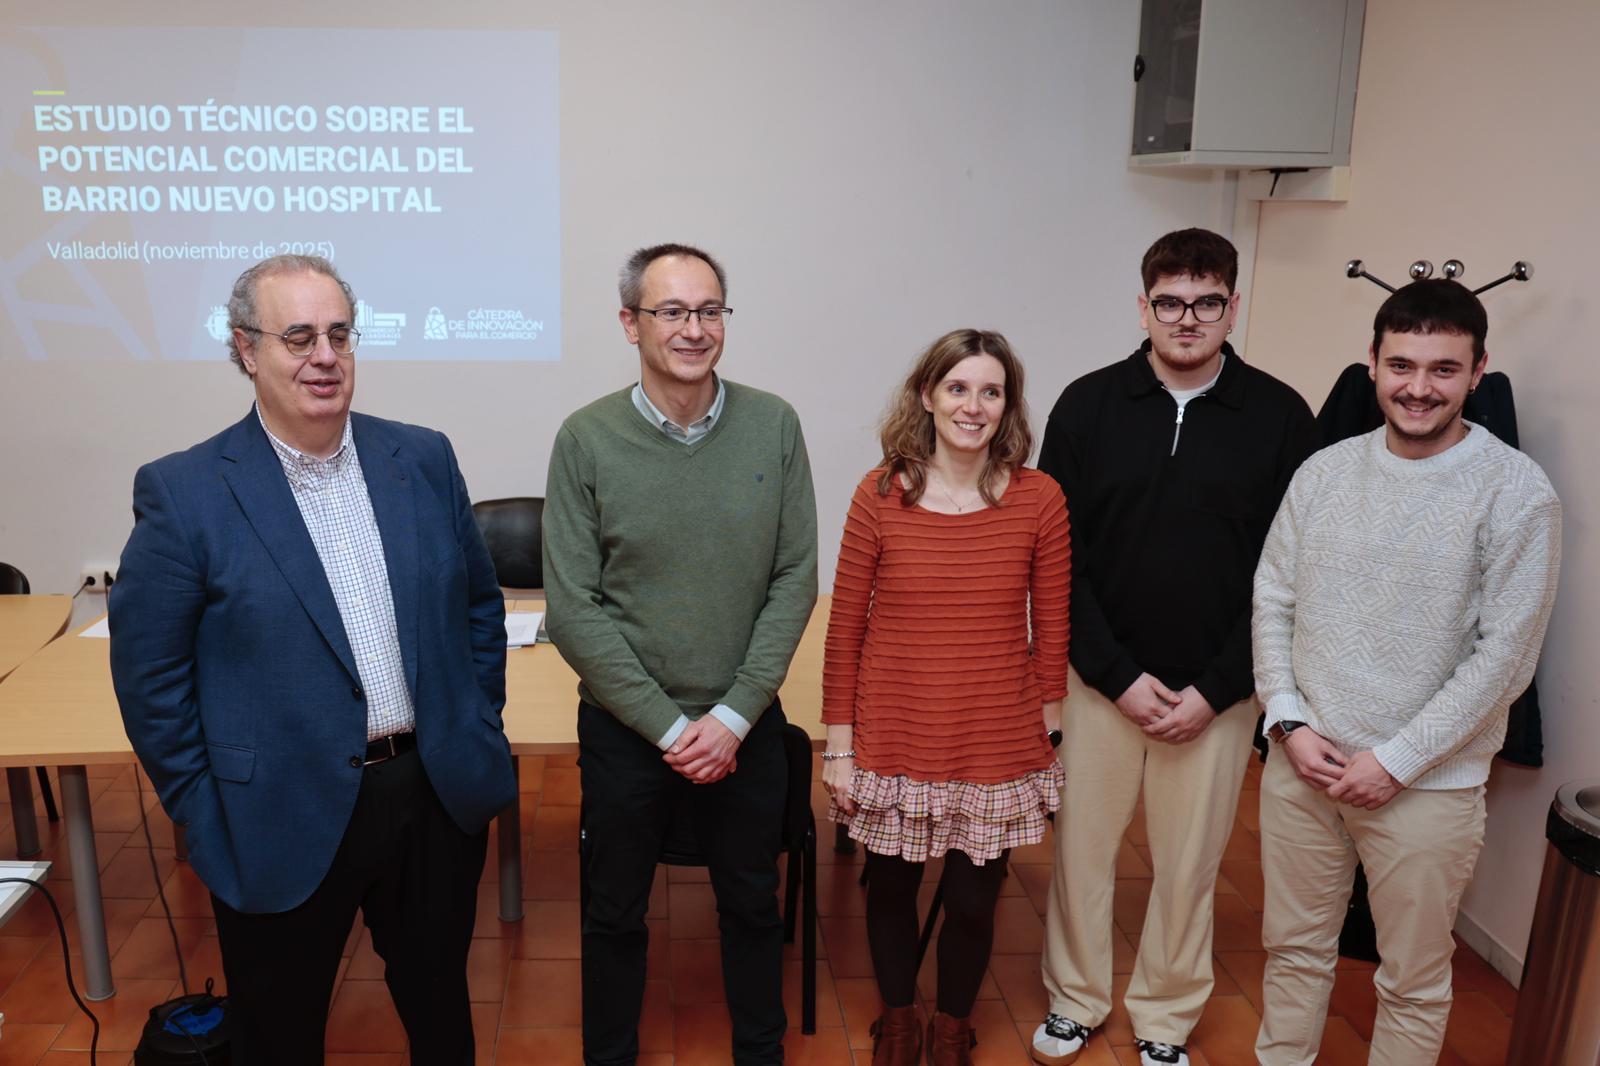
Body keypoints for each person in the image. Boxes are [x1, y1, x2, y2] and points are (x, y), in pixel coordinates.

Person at [109, 254, 516, 1063]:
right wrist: (204, 809)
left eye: (339, 334)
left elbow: (478, 605)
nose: (325, 356)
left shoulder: (422, 458)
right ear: (246, 349)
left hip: (431, 794)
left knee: (441, 1011)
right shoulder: (185, 492)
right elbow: (151, 677)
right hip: (276, 813)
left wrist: (475, 722)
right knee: (280, 1034)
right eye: (298, 337)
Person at [1251, 279, 1561, 1064]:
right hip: (1304, 765)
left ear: (1478, 371)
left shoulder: (1517, 491)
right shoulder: (1323, 472)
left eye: (1443, 369)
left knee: (1412, 982)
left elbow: (1506, 657)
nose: (1418, 388)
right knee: (1292, 952)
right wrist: (1287, 719)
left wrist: (1396, 760)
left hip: (1429, 785)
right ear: (1372, 363)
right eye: (1402, 365)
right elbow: (1273, 599)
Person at [1031, 228, 1318, 1066]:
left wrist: (1221, 687)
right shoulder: (1087, 405)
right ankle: (1075, 1000)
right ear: (1143, 306)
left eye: (1206, 302)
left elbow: (1289, 570)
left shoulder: (1281, 416)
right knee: (1082, 854)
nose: (1186, 318)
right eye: (1170, 302)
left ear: (1233, 307)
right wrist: (1115, 676)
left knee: (1190, 867)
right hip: (1100, 684)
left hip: (1217, 693)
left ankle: (1164, 1016)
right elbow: (1058, 558)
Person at [542, 242, 818, 1066]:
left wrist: (733, 717)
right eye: (671, 311)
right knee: (614, 913)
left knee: (753, 908)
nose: (693, 329)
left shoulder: (774, 425)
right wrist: (669, 728)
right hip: (628, 731)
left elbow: (795, 578)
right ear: (631, 324)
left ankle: (760, 1055)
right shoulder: (586, 438)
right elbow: (573, 608)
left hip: (745, 723)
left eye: (708, 310)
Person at [822, 329, 1070, 1066]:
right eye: (958, 388)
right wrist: (839, 746)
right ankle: (899, 1020)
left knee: (972, 901)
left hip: (993, 735)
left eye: (991, 391)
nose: (973, 406)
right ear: (927, 396)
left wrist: (1047, 730)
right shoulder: (879, 493)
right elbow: (845, 627)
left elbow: (1052, 624)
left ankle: (954, 1026)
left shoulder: (1039, 498)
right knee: (890, 891)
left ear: (1008, 405)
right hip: (894, 730)